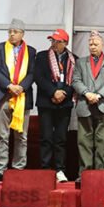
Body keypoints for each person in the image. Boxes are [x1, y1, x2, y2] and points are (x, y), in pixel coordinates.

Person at [0, 19, 36, 185]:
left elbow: (32, 73)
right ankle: (0, 170)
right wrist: (9, 85)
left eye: (15, 32)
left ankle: (18, 168)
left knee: (21, 136)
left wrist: (21, 87)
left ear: (22, 34)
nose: (12, 34)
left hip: (22, 97)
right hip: (3, 95)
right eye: (10, 31)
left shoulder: (31, 51)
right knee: (2, 135)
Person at [34, 28, 77, 182]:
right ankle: (45, 168)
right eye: (52, 40)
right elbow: (38, 77)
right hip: (46, 102)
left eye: (57, 42)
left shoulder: (73, 59)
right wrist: (53, 92)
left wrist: (63, 93)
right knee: (46, 137)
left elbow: (75, 80)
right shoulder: (41, 56)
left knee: (61, 138)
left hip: (64, 104)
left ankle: (60, 169)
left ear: (65, 43)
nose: (53, 44)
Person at [72, 30, 104, 174]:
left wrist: (98, 95)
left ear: (102, 45)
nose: (93, 46)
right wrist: (87, 93)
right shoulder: (80, 62)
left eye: (96, 44)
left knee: (103, 142)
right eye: (90, 44)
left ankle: (100, 174)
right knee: (84, 141)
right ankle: (85, 173)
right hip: (85, 104)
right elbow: (75, 80)